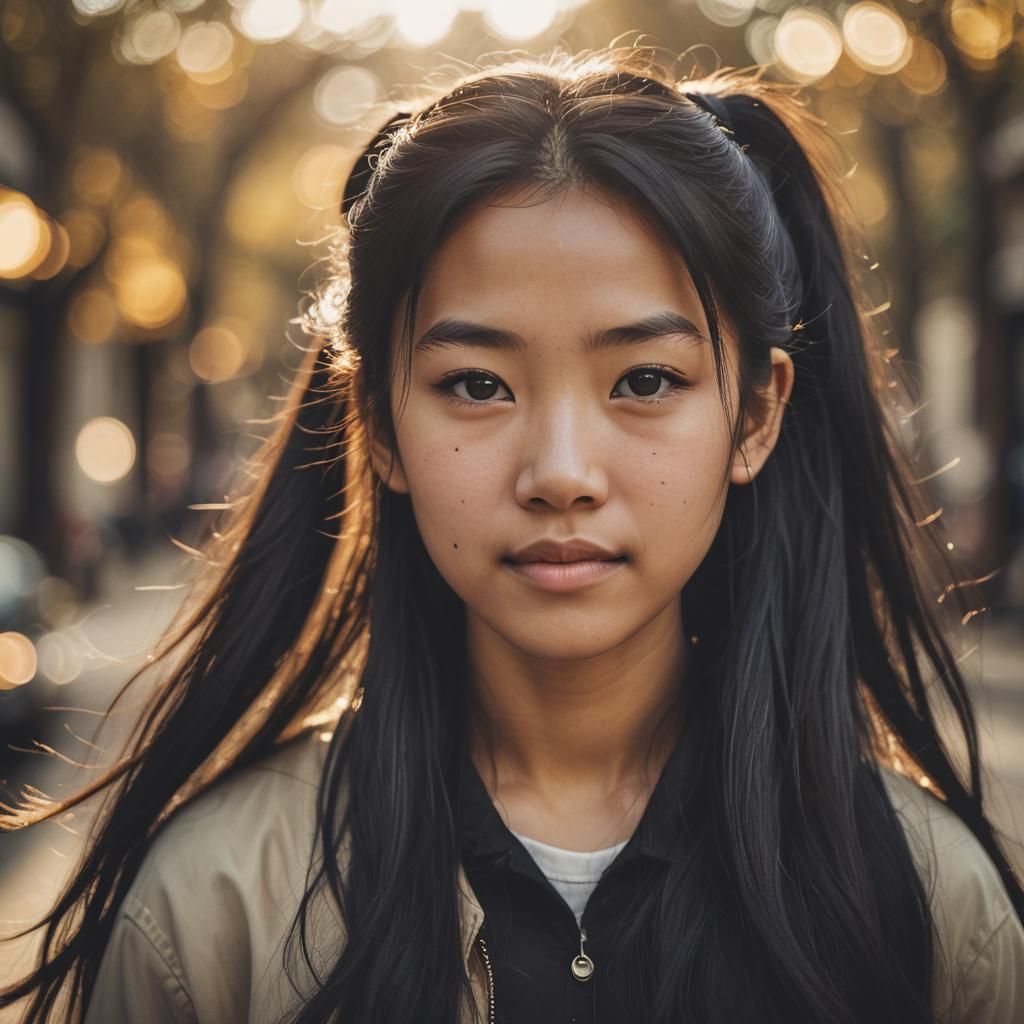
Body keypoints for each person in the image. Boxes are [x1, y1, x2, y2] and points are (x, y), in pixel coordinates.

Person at [2, 43, 1023, 1024]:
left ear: (754, 414)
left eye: (645, 380)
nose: (562, 474)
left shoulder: (930, 906)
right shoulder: (212, 908)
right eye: (476, 385)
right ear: (382, 431)